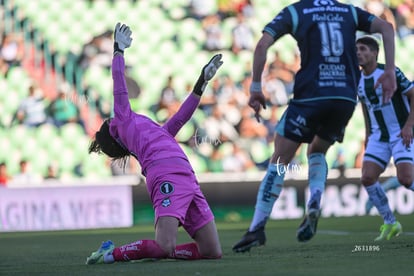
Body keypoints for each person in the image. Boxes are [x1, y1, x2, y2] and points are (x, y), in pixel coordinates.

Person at [233, 0, 397, 253]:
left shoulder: (297, 11)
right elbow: (386, 27)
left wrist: (256, 88)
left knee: (279, 160)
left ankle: (256, 228)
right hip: (344, 98)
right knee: (317, 151)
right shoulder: (349, 11)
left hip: (310, 97)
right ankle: (315, 201)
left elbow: (263, 43)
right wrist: (390, 72)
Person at [85, 23, 223, 265]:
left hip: (186, 175)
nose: (107, 119)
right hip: (166, 173)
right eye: (104, 124)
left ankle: (163, 250)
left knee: (212, 251)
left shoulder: (152, 132)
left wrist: (202, 82)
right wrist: (118, 51)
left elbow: (181, 117)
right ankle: (110, 254)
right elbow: (119, 84)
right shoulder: (123, 121)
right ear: (112, 133)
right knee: (163, 246)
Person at [356, 35, 414, 240]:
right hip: (378, 136)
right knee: (367, 177)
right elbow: (365, 105)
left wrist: (409, 125)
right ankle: (391, 223)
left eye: (363, 49)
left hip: (400, 132)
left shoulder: (390, 72)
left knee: (406, 179)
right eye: (357, 50)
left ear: (374, 53)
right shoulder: (357, 79)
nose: (359, 53)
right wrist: (367, 134)